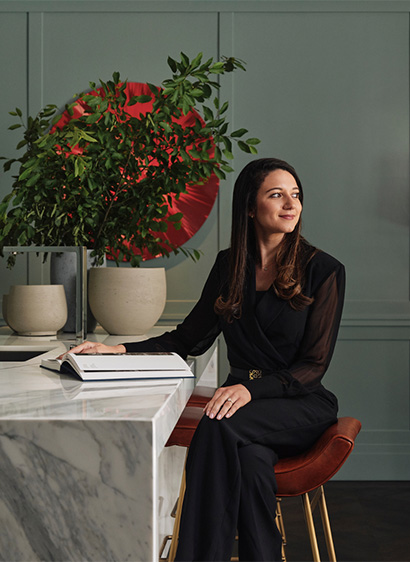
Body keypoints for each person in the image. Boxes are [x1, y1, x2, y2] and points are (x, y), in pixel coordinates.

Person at [64, 157, 345, 561]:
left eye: (296, 195)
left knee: (217, 425)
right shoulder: (229, 265)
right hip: (242, 408)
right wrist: (119, 349)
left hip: (300, 405)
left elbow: (314, 366)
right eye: (277, 194)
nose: (291, 204)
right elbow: (188, 339)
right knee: (250, 464)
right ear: (250, 206)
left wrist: (249, 391)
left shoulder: (324, 270)